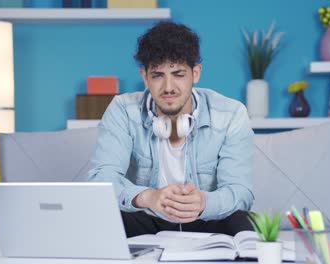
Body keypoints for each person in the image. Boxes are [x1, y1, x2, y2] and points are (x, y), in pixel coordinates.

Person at [88, 21, 255, 237]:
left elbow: (241, 192)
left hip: (206, 219)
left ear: (195, 73)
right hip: (147, 217)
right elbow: (102, 179)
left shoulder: (231, 114)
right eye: (158, 75)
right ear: (145, 77)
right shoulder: (122, 110)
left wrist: (204, 202)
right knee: (104, 221)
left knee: (243, 220)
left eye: (178, 74)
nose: (168, 87)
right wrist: (149, 197)